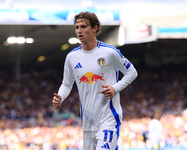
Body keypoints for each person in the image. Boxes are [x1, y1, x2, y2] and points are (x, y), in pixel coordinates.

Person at [53, 11, 138, 150]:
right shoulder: (71, 57)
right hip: (88, 123)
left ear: (95, 28)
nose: (79, 30)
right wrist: (60, 97)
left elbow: (132, 72)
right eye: (77, 27)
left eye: (83, 26)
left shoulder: (110, 52)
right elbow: (67, 84)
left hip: (109, 119)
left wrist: (115, 88)